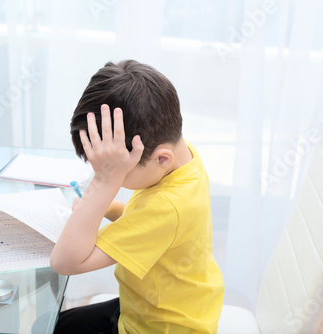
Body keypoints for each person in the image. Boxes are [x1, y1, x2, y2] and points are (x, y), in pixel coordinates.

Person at [50, 60, 224, 333]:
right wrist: (103, 206)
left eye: (120, 172)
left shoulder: (167, 206)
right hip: (154, 305)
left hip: (162, 326)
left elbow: (64, 262)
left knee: (51, 328)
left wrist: (104, 183)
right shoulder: (182, 157)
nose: (114, 178)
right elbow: (146, 219)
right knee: (56, 326)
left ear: (161, 158)